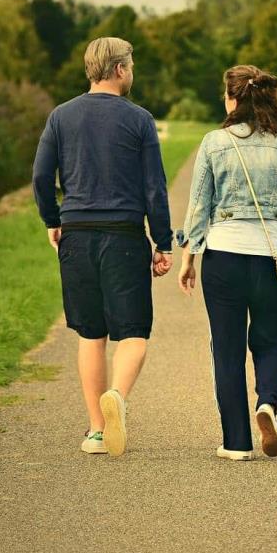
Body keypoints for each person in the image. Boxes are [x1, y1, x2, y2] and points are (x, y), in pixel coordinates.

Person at [176, 64, 277, 461]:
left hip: (223, 256)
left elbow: (199, 206)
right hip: (276, 257)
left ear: (232, 98)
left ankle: (236, 443)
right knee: (271, 338)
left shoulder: (213, 143)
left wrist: (188, 258)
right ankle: (268, 402)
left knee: (226, 349)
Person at [32, 37, 173, 457]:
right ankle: (117, 396)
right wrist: (162, 242)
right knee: (133, 333)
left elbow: (41, 176)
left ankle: (96, 429)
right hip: (123, 236)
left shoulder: (60, 116)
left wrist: (52, 220)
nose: (131, 73)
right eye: (130, 66)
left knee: (91, 334)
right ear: (118, 70)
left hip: (76, 233)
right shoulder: (139, 120)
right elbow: (154, 188)